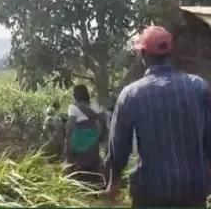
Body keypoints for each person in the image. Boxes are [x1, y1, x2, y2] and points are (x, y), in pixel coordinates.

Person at [104, 25, 211, 207]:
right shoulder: (198, 87)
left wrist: (113, 182)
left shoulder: (132, 94)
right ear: (170, 53)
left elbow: (119, 146)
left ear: (143, 55)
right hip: (193, 189)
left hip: (150, 192)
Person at [65, 84, 106, 184]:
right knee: (92, 171)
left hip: (80, 146)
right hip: (93, 145)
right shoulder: (95, 107)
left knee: (80, 173)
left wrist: (67, 149)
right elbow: (101, 124)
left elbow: (70, 128)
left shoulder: (73, 108)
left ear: (75, 95)